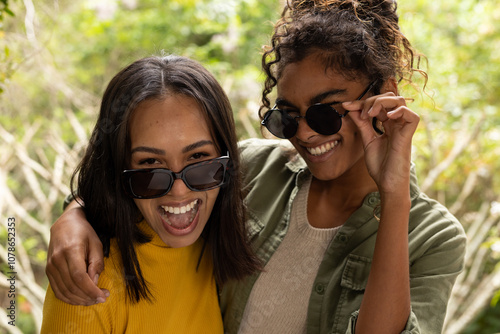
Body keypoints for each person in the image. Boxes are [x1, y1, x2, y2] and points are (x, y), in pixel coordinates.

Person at [46, 1, 467, 333]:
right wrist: (75, 216)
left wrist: (393, 196)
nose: (304, 134)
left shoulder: (434, 237)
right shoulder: (251, 167)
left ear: (384, 97)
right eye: (287, 116)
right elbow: (149, 177)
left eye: (324, 113)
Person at [41, 55, 260, 333]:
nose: (179, 190)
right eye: (150, 165)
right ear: (119, 169)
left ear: (225, 160)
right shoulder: (88, 282)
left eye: (198, 158)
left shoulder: (213, 238)